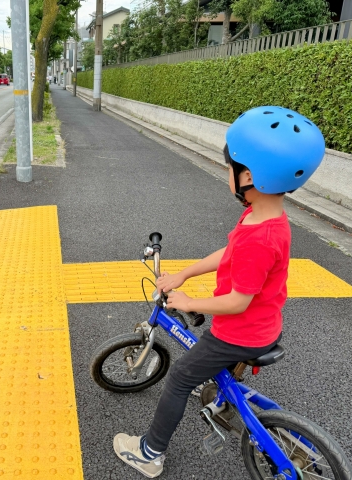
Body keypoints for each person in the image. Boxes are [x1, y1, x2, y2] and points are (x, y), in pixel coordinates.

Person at [113, 106, 326, 478]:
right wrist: (184, 273)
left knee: (180, 377)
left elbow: (236, 302)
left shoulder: (258, 236)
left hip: (239, 333)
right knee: (214, 372)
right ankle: (226, 399)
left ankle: (149, 453)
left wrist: (188, 301)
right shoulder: (268, 216)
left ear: (248, 175)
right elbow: (230, 253)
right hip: (264, 326)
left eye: (229, 166)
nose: (226, 172)